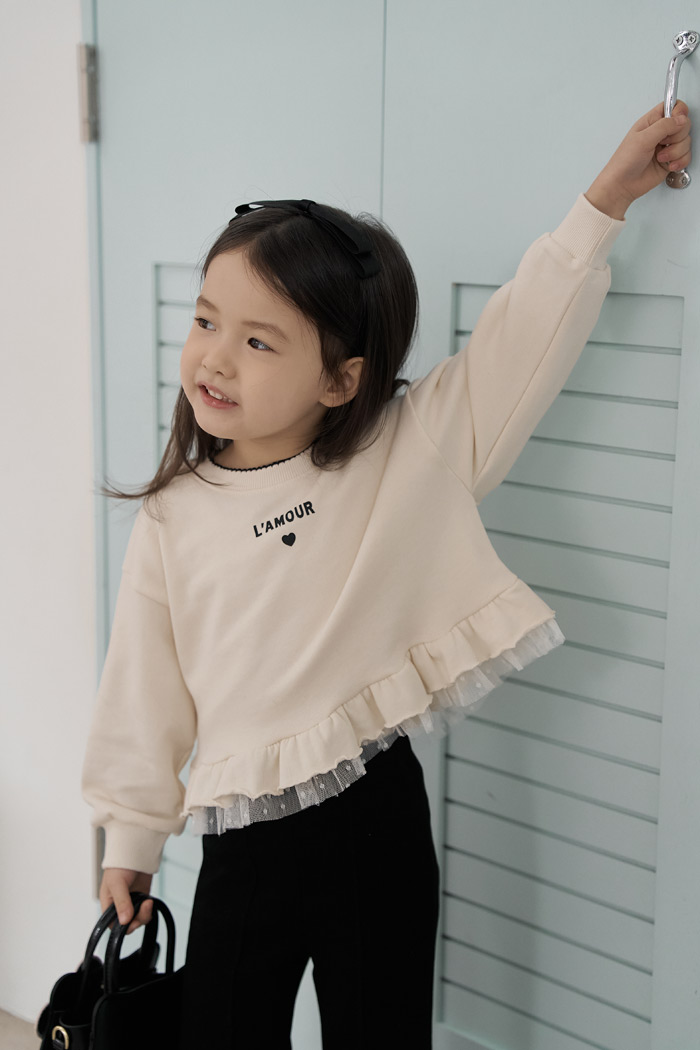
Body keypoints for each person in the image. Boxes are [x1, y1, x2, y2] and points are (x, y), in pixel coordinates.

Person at [81, 100, 691, 1049]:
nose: (215, 357)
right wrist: (131, 838)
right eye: (207, 320)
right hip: (245, 840)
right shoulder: (175, 514)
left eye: (258, 340)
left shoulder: (409, 453)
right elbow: (141, 691)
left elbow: (521, 339)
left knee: (384, 1032)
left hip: (377, 819)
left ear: (341, 379)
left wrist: (606, 198)